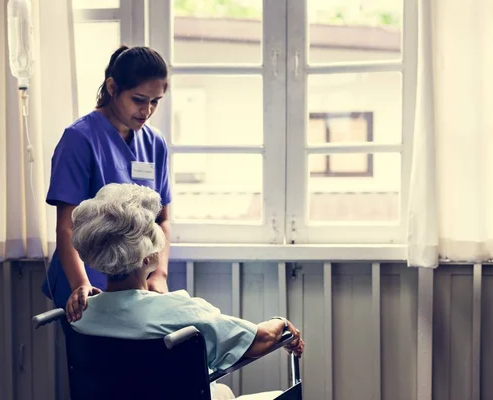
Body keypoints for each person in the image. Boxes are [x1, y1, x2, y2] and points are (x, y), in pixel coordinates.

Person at [69, 183, 305, 400]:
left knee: (222, 391)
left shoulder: (82, 316)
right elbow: (261, 339)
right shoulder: (178, 314)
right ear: (145, 258)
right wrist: (282, 324)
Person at [41, 45, 172, 318]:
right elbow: (66, 226)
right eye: (138, 99)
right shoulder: (79, 139)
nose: (147, 110)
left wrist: (158, 275)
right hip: (88, 279)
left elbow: (162, 220)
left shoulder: (155, 143)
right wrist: (81, 285)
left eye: (155, 101)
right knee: (94, 358)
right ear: (112, 88)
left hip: (137, 285)